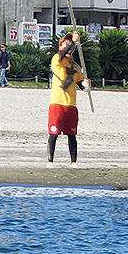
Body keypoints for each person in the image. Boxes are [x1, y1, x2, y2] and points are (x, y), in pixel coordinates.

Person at [48, 31, 88, 166]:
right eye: (66, 44)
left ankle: (73, 162)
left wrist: (86, 85)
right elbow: (64, 52)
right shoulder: (56, 59)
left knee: (72, 135)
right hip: (57, 102)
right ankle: (50, 161)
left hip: (71, 105)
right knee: (53, 133)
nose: (69, 48)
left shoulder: (76, 67)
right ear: (61, 46)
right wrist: (73, 42)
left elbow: (82, 86)